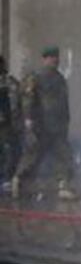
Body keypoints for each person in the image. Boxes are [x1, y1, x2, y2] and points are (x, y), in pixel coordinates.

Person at [11, 46, 77, 200]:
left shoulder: (59, 78)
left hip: (57, 126)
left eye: (56, 57)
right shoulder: (35, 77)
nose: (54, 60)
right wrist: (28, 121)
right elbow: (28, 99)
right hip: (41, 125)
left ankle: (63, 186)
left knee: (64, 156)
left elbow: (63, 102)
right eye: (51, 57)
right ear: (44, 58)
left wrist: (66, 121)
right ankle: (18, 180)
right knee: (33, 156)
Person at [0, 55, 20, 191]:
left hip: (7, 123)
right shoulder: (10, 82)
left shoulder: (9, 82)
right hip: (7, 123)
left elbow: (16, 102)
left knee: (8, 151)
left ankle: (6, 179)